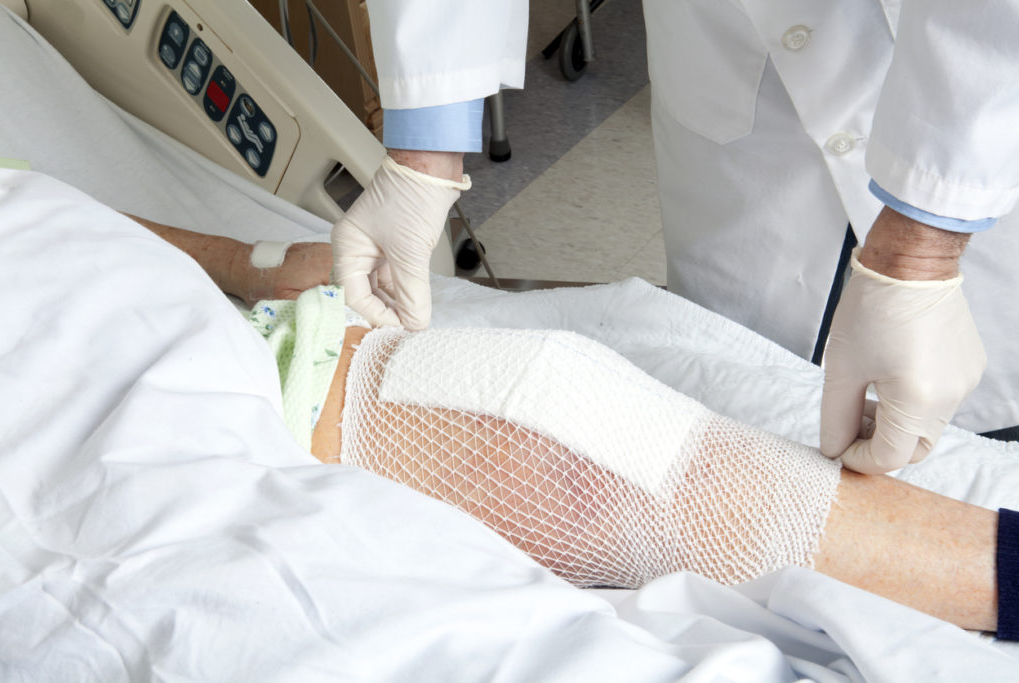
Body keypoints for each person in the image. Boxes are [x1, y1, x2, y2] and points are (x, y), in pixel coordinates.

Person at [133, 213, 1018, 641]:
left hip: (292, 351)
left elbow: (89, 231)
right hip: (205, 420)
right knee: (586, 474)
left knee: (580, 425)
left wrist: (251, 265)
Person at [331, 0, 1019, 478]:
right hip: (731, 71)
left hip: (976, 108)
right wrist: (423, 158)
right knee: (741, 418)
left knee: (975, 461)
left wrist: (924, 249)